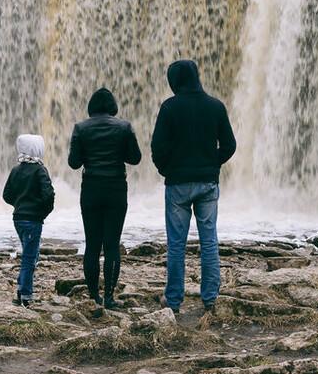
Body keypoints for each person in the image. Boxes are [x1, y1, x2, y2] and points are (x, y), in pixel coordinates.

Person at [150, 59, 236, 314]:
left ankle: (174, 300)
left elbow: (157, 147)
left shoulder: (169, 107)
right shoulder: (215, 106)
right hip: (208, 183)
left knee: (176, 244)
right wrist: (212, 164)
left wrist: (167, 169)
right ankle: (210, 298)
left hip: (177, 184)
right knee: (209, 241)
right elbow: (229, 145)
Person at [68, 87, 142, 313]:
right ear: (112, 107)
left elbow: (74, 163)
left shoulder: (80, 128)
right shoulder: (124, 127)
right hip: (116, 189)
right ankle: (109, 297)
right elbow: (135, 158)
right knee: (112, 245)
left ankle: (93, 296)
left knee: (92, 244)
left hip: (90, 188)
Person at [2, 134, 54, 306]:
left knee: (29, 254)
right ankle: (25, 295)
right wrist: (42, 212)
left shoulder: (16, 170)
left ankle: (21, 288)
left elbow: (6, 195)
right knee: (29, 258)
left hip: (18, 218)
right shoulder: (40, 170)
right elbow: (48, 195)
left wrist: (19, 204)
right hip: (33, 219)